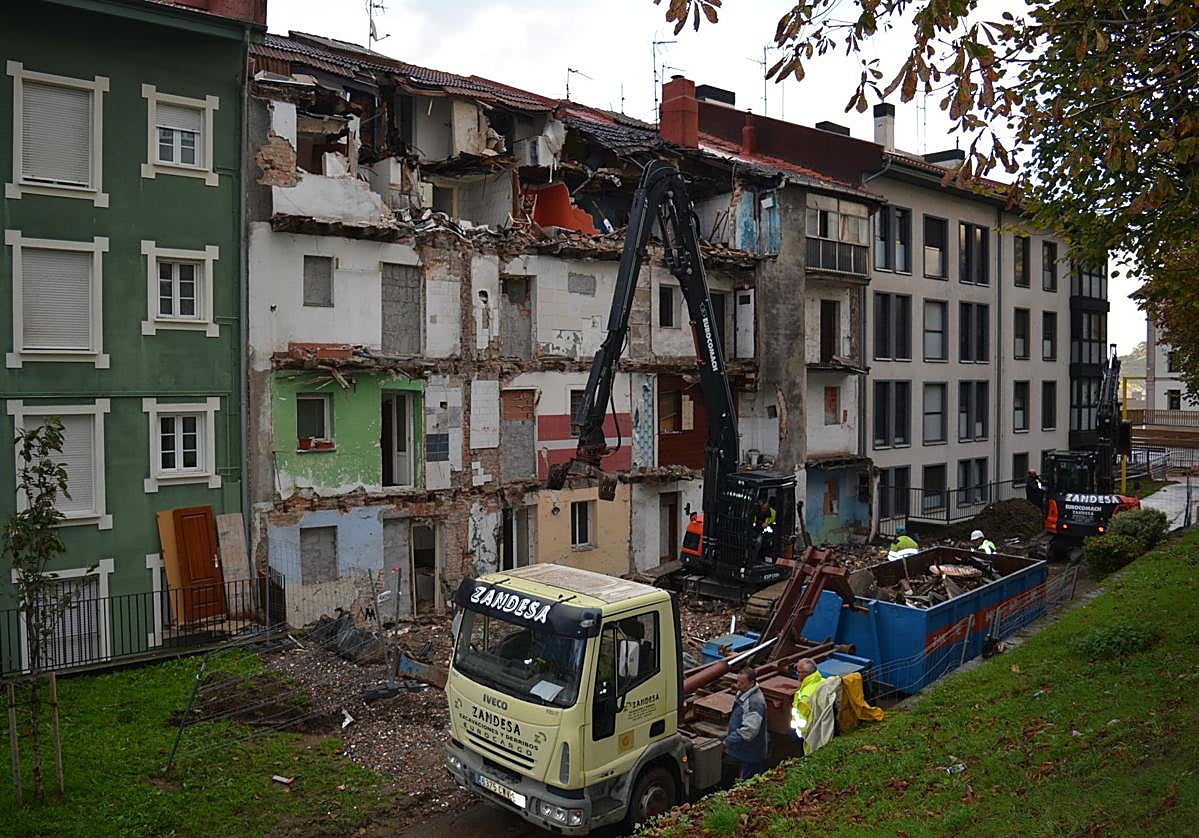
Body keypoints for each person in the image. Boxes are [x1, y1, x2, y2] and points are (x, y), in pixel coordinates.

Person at [724, 668, 768, 780]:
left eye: (742, 683)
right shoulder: (743, 693)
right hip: (744, 750)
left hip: (751, 752)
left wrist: (729, 740)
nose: (738, 685)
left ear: (751, 683)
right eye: (737, 681)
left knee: (749, 780)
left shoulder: (755, 703)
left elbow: (750, 731)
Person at [790, 658, 826, 749]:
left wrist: (800, 732)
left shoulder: (805, 696)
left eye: (798, 672)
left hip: (809, 736)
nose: (797, 674)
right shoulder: (822, 681)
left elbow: (802, 720)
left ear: (805, 673)